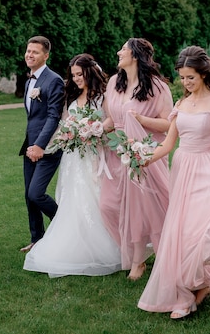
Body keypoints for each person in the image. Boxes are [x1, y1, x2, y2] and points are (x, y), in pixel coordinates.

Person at [137, 45, 210, 320]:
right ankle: (189, 291)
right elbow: (167, 144)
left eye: (190, 77)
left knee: (202, 231)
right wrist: (144, 158)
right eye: (182, 77)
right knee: (182, 232)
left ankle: (202, 283)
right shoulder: (181, 104)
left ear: (203, 74)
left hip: (208, 168)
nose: (185, 83)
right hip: (183, 168)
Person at [23, 54, 122, 277]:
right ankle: (72, 242)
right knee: (71, 198)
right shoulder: (72, 97)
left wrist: (94, 129)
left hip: (94, 155)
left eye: (80, 74)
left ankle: (103, 245)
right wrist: (63, 137)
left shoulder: (103, 96)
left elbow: (111, 120)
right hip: (72, 158)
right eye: (74, 75)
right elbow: (64, 123)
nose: (77, 78)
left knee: (94, 197)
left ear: (91, 71)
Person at [99, 38, 173, 281]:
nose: (118, 52)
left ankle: (141, 261)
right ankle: (131, 252)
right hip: (116, 153)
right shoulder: (113, 83)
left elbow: (168, 124)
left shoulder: (157, 87)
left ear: (135, 55)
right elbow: (112, 119)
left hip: (144, 154)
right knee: (109, 205)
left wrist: (141, 121)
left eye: (123, 48)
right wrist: (91, 131)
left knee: (147, 211)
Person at [19, 36, 65, 253]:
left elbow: (53, 116)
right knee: (29, 195)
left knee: (36, 193)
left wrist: (39, 145)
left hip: (48, 147)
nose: (29, 55)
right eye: (28, 51)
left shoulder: (53, 80)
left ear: (46, 56)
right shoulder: (29, 81)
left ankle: (64, 223)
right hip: (30, 146)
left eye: (35, 52)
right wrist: (31, 145)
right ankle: (37, 239)